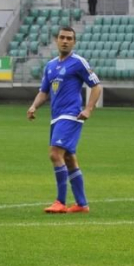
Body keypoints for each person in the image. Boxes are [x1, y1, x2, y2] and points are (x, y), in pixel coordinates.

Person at [27, 26, 102, 214]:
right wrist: (34, 106)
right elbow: (44, 92)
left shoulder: (78, 62)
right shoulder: (51, 65)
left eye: (69, 38)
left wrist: (88, 109)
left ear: (74, 42)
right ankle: (82, 204)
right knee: (68, 158)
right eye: (62, 37)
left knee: (55, 154)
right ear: (56, 40)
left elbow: (96, 86)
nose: (65, 41)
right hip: (56, 117)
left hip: (71, 115)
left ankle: (60, 201)